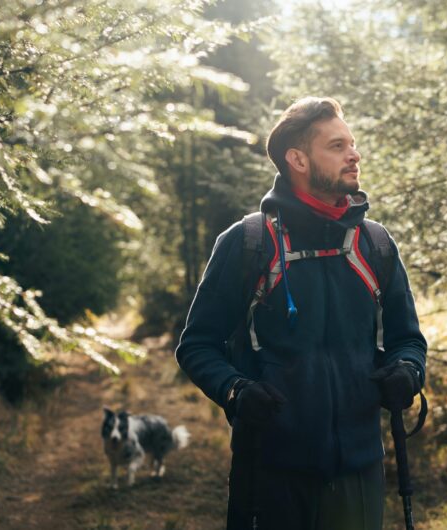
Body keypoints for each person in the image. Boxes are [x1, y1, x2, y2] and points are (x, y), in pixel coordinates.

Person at [175, 96, 427, 530]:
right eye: (337, 146)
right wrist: (235, 390)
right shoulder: (247, 243)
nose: (354, 154)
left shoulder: (375, 244)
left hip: (359, 470)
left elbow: (408, 339)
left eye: (352, 143)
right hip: (270, 471)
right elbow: (197, 345)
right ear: (298, 160)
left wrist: (408, 371)